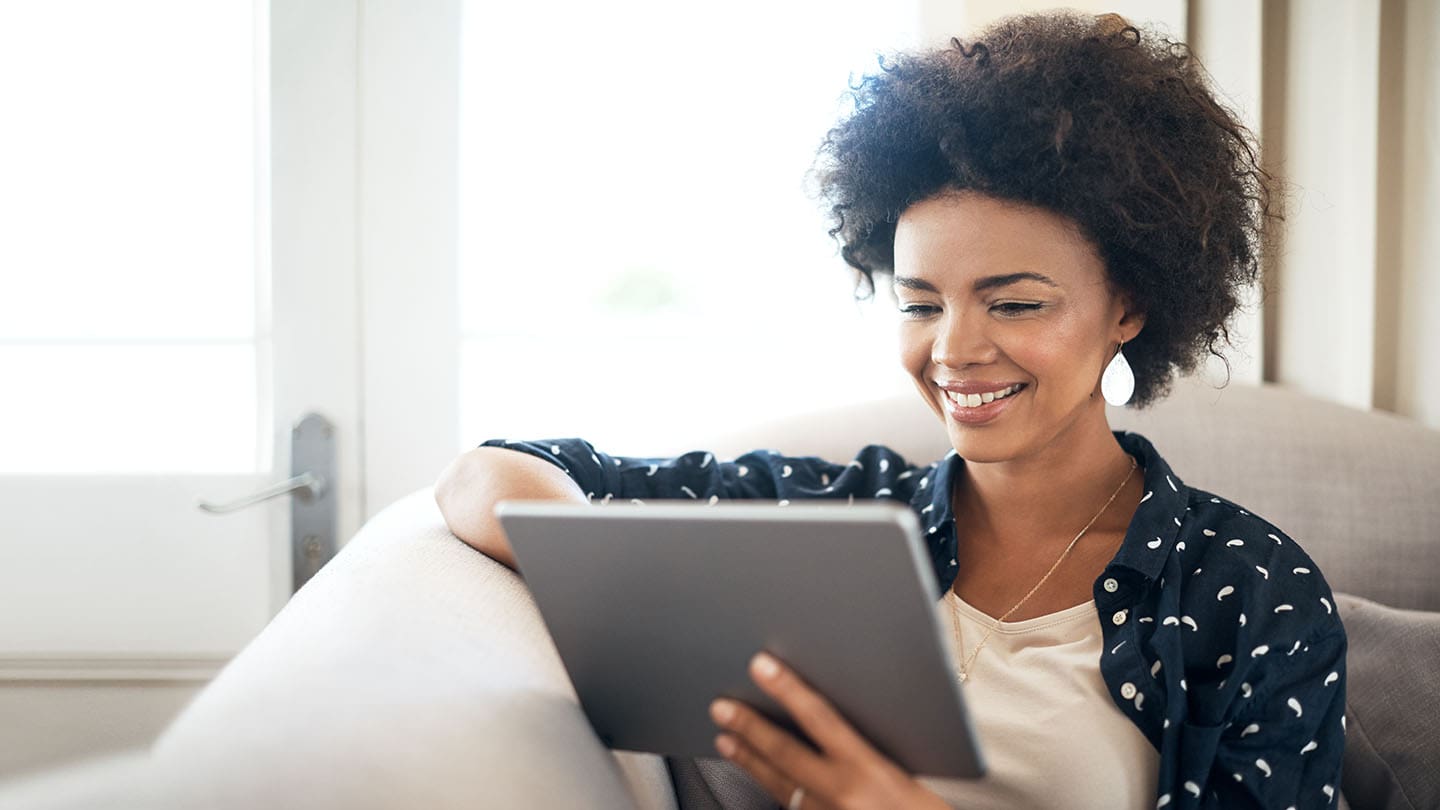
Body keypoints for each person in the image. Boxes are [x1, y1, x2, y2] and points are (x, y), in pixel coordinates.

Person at [434, 10, 1347, 810]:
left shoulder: (1248, 590)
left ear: (1129, 308)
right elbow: (487, 475)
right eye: (919, 303)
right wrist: (623, 569)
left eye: (1015, 302)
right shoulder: (837, 519)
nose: (952, 349)